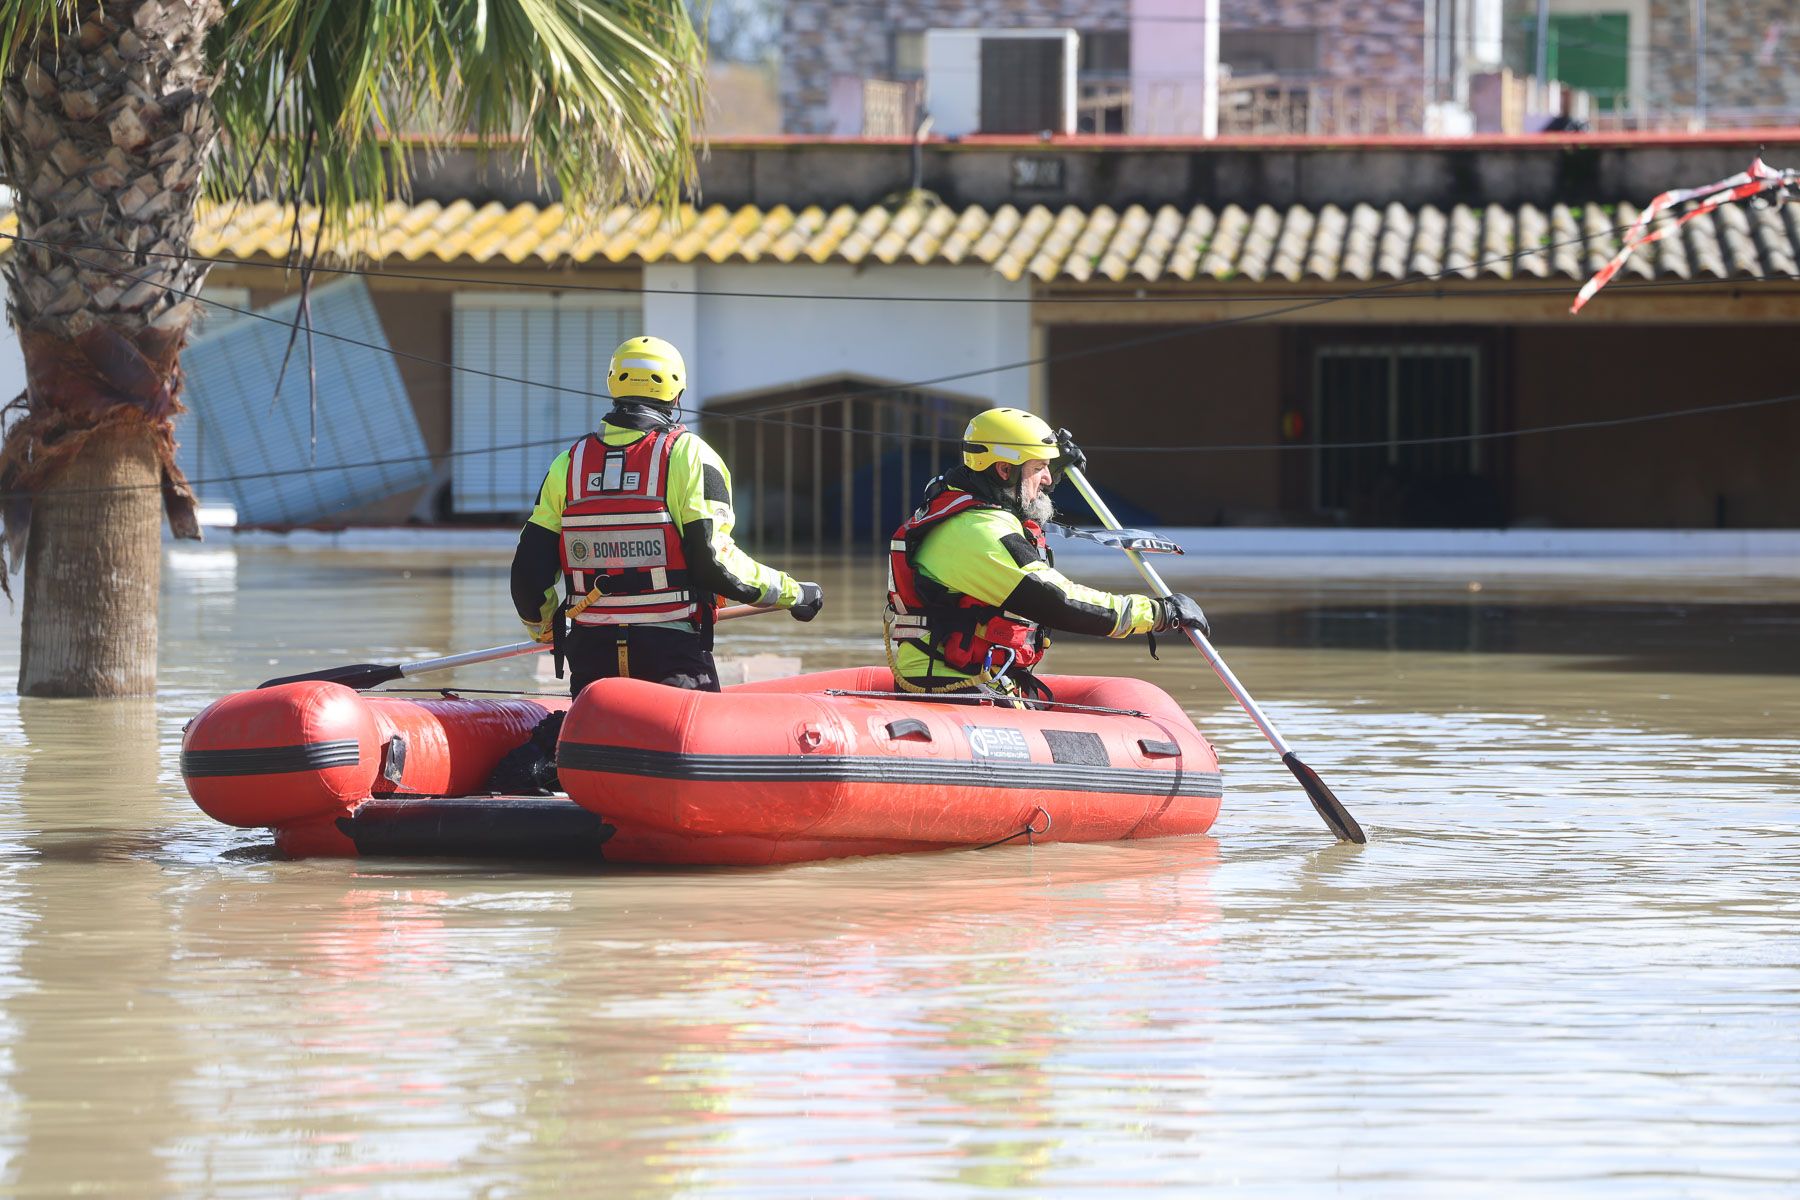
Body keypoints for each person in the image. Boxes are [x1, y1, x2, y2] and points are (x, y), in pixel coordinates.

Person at [510, 335, 823, 699]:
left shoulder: (568, 464)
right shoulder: (688, 455)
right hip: (672, 660)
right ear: (677, 395)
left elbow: (528, 577)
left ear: (613, 384)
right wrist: (794, 593)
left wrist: (546, 629)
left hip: (592, 659)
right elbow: (716, 565)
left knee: (588, 748)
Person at [885, 407, 1208, 699]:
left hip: (982, 680)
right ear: (1003, 470)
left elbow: (1024, 502)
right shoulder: (977, 532)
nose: (1048, 478)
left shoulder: (966, 501)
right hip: (951, 688)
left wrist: (1051, 470)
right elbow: (1060, 602)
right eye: (1040, 467)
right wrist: (1158, 614)